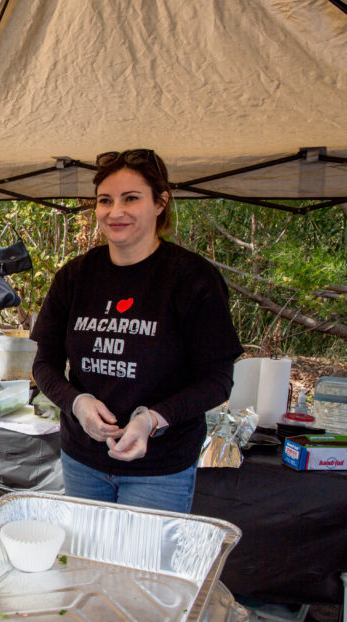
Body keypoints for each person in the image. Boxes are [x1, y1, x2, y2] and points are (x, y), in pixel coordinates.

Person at [30, 149, 242, 513]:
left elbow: (217, 380)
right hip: (82, 459)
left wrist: (151, 420)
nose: (116, 212)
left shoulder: (192, 279)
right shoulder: (74, 277)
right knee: (87, 563)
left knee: (142, 569)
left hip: (160, 469)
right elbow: (44, 365)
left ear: (160, 203)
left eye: (131, 199)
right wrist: (77, 403)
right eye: (105, 201)